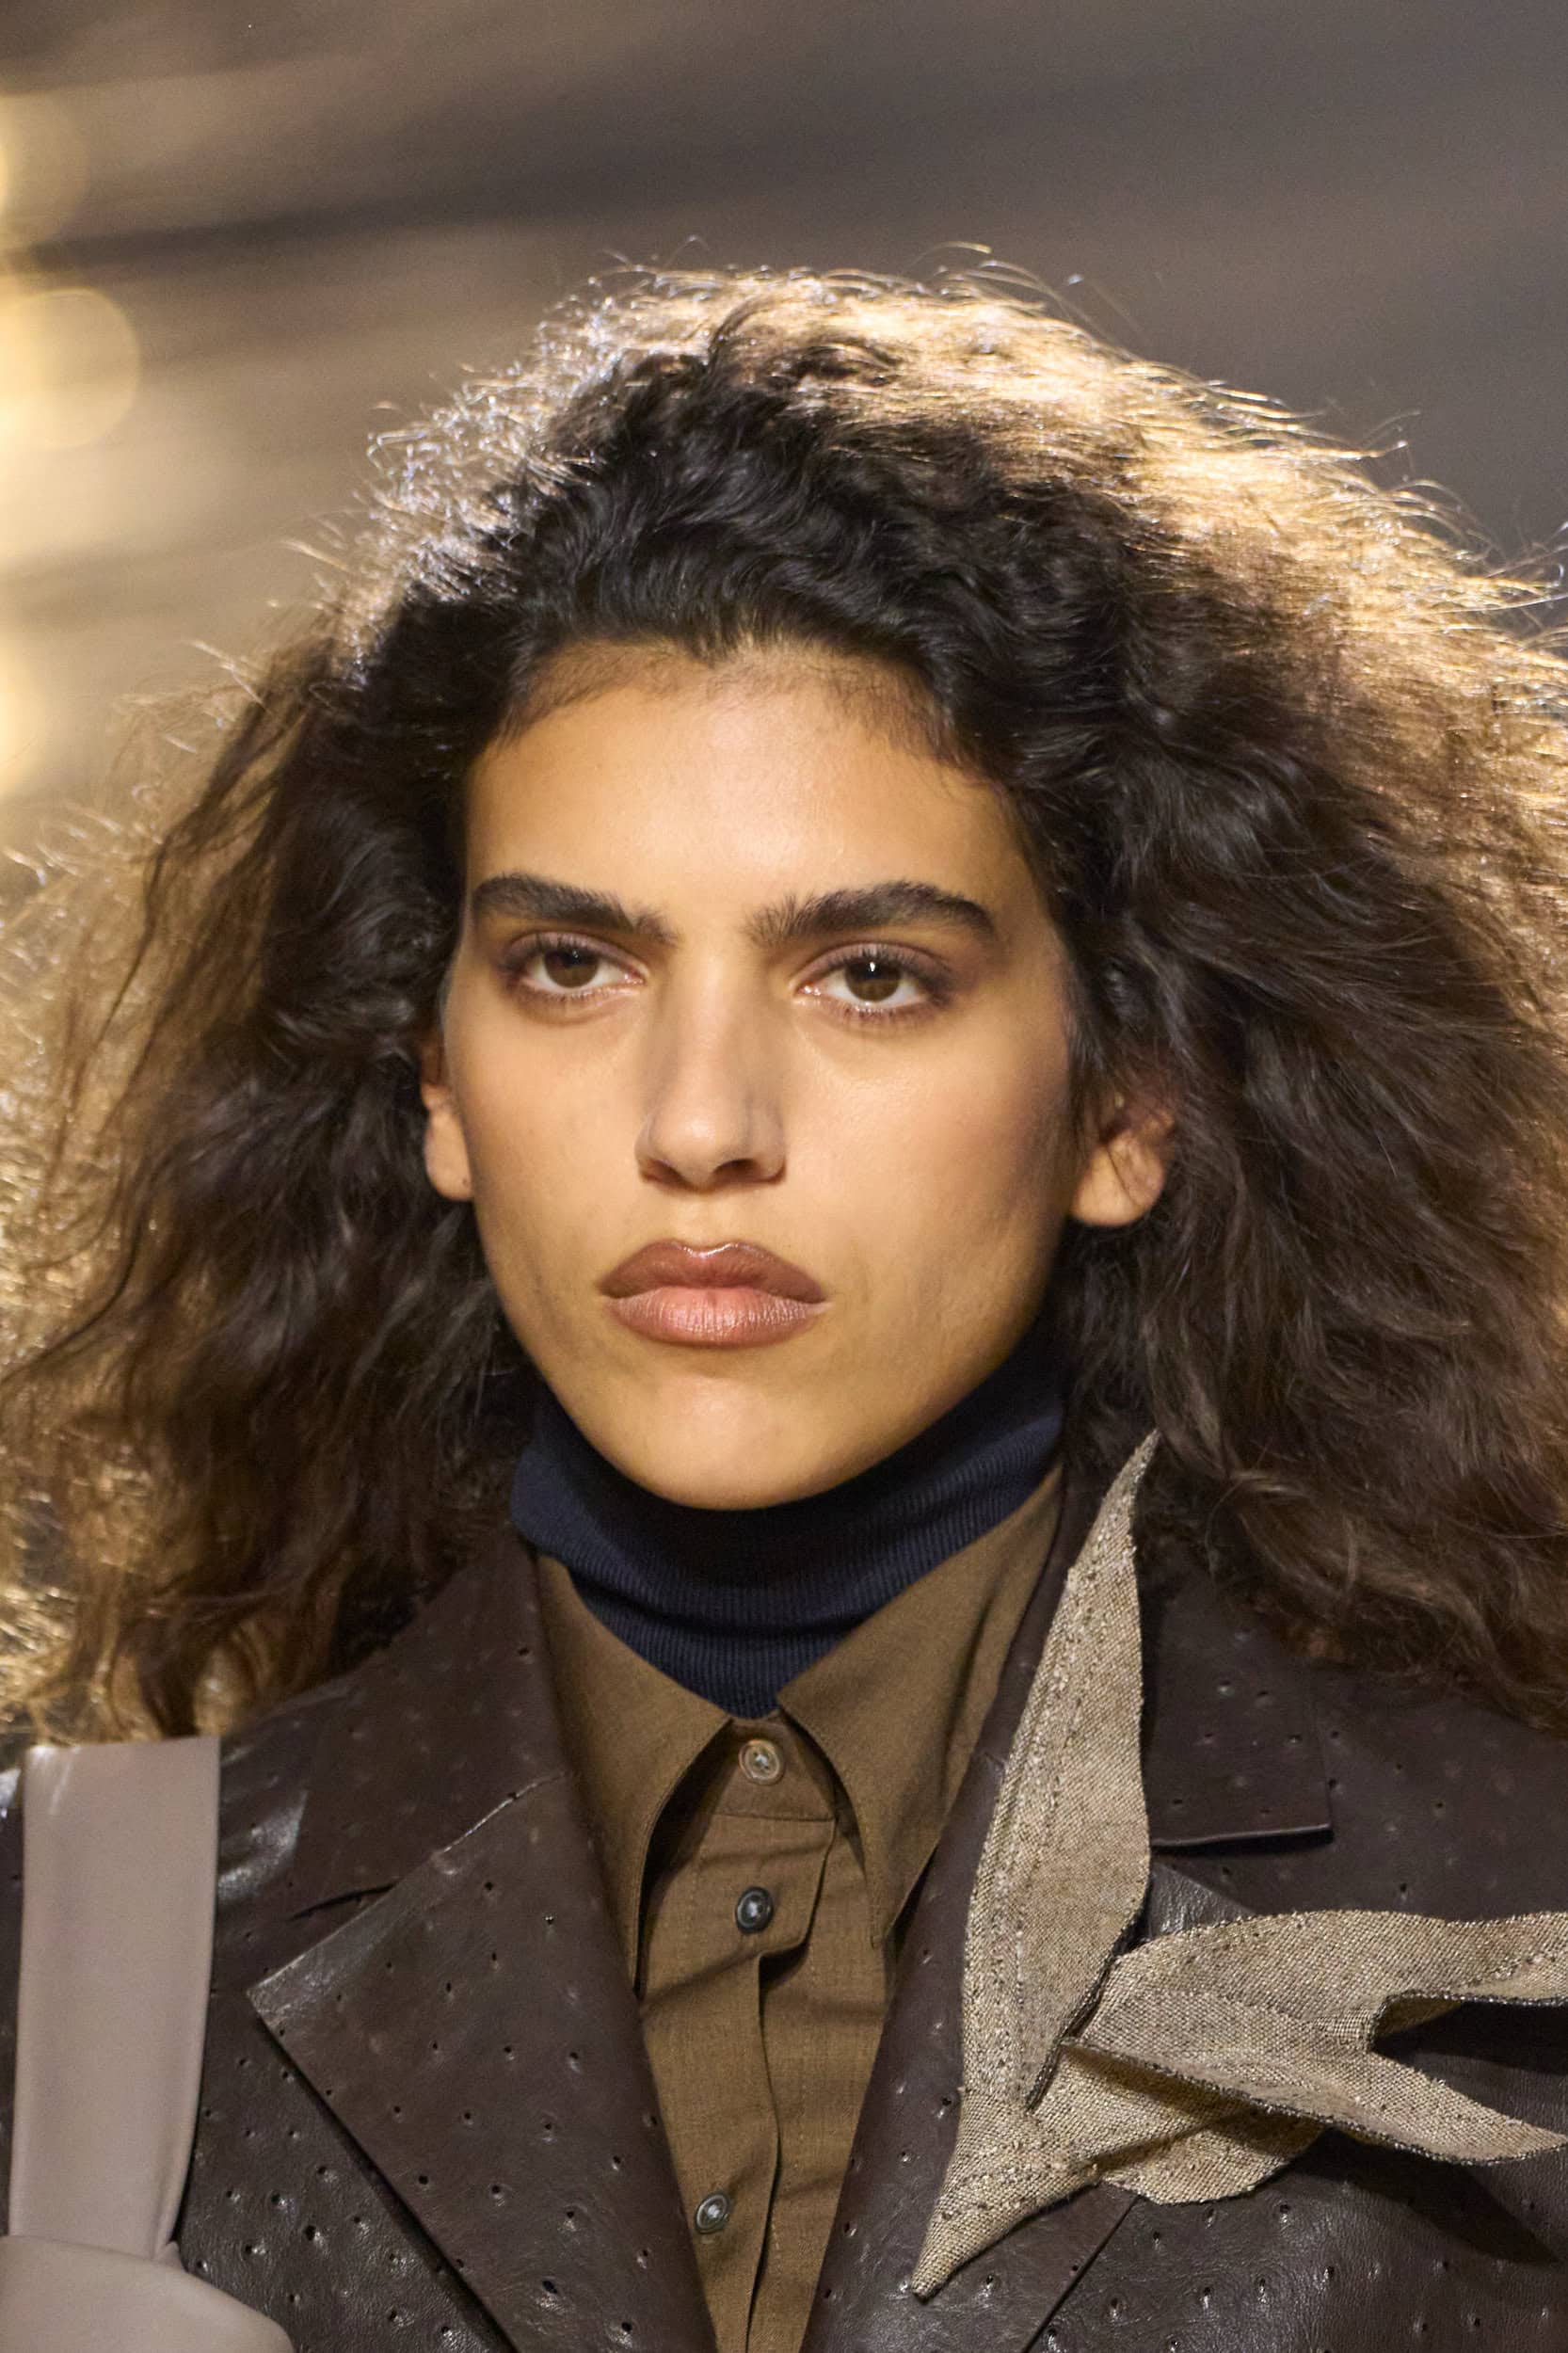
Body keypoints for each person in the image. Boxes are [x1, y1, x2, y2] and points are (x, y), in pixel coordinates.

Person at [2, 263, 1568, 2353]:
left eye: (870, 976)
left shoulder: (1516, 1945)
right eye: (573, 965)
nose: (699, 1124)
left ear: (1127, 1100)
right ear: (434, 1078)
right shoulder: (68, 1956)